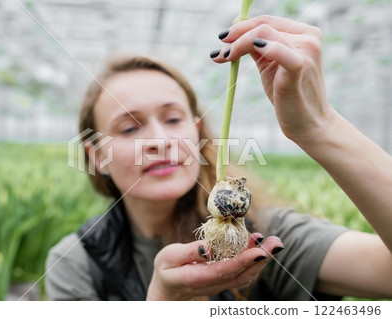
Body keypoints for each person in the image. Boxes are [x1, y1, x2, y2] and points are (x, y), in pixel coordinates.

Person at [45, 15, 392, 301]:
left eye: (172, 119)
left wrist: (320, 127)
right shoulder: (76, 261)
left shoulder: (268, 236)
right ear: (97, 156)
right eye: (128, 128)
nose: (160, 140)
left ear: (197, 133)